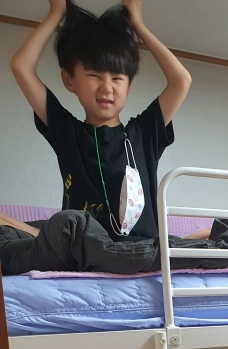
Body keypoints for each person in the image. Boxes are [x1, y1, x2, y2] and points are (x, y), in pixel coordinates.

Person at [9, 0, 192, 242]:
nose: (107, 87)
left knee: (213, 237)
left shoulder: (143, 134)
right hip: (80, 250)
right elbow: (21, 66)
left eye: (117, 78)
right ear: (69, 80)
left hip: (140, 250)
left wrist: (138, 25)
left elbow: (181, 80)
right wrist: (56, 13)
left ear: (128, 87)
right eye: (94, 75)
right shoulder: (67, 133)